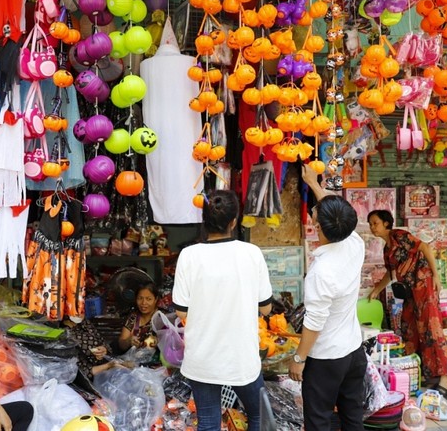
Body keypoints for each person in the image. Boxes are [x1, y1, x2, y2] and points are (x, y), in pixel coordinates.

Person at [172, 190, 273, 431]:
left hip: (203, 358)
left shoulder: (189, 255)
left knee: (208, 422)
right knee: (257, 416)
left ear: (204, 221)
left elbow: (182, 313)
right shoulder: (251, 253)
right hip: (242, 358)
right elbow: (267, 308)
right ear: (234, 221)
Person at [288, 165, 367, 431]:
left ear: (317, 226)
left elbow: (315, 321)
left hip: (326, 360)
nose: (312, 211)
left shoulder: (321, 272)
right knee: (352, 416)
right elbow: (337, 216)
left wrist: (299, 359)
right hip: (354, 351)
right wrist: (313, 184)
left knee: (318, 420)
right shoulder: (355, 243)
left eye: (315, 214)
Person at [367, 209, 447, 396]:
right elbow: (390, 274)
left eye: (375, 223)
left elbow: (425, 248)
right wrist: (376, 290)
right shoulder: (387, 249)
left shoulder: (399, 235)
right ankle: (426, 374)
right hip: (408, 291)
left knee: (432, 328)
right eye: (370, 224)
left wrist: (437, 276)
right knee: (410, 328)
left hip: (424, 285)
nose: (372, 227)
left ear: (386, 223)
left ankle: (446, 377)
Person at [63, 315, 123, 380]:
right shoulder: (63, 334)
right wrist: (108, 366)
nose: (81, 313)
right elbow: (81, 373)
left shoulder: (84, 323)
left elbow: (101, 341)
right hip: (90, 381)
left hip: (108, 369)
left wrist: (104, 350)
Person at [117, 282, 160, 351]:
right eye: (140, 298)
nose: (143, 303)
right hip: (133, 359)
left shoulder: (162, 318)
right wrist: (128, 341)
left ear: (156, 299)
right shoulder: (133, 317)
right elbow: (121, 344)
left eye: (148, 299)